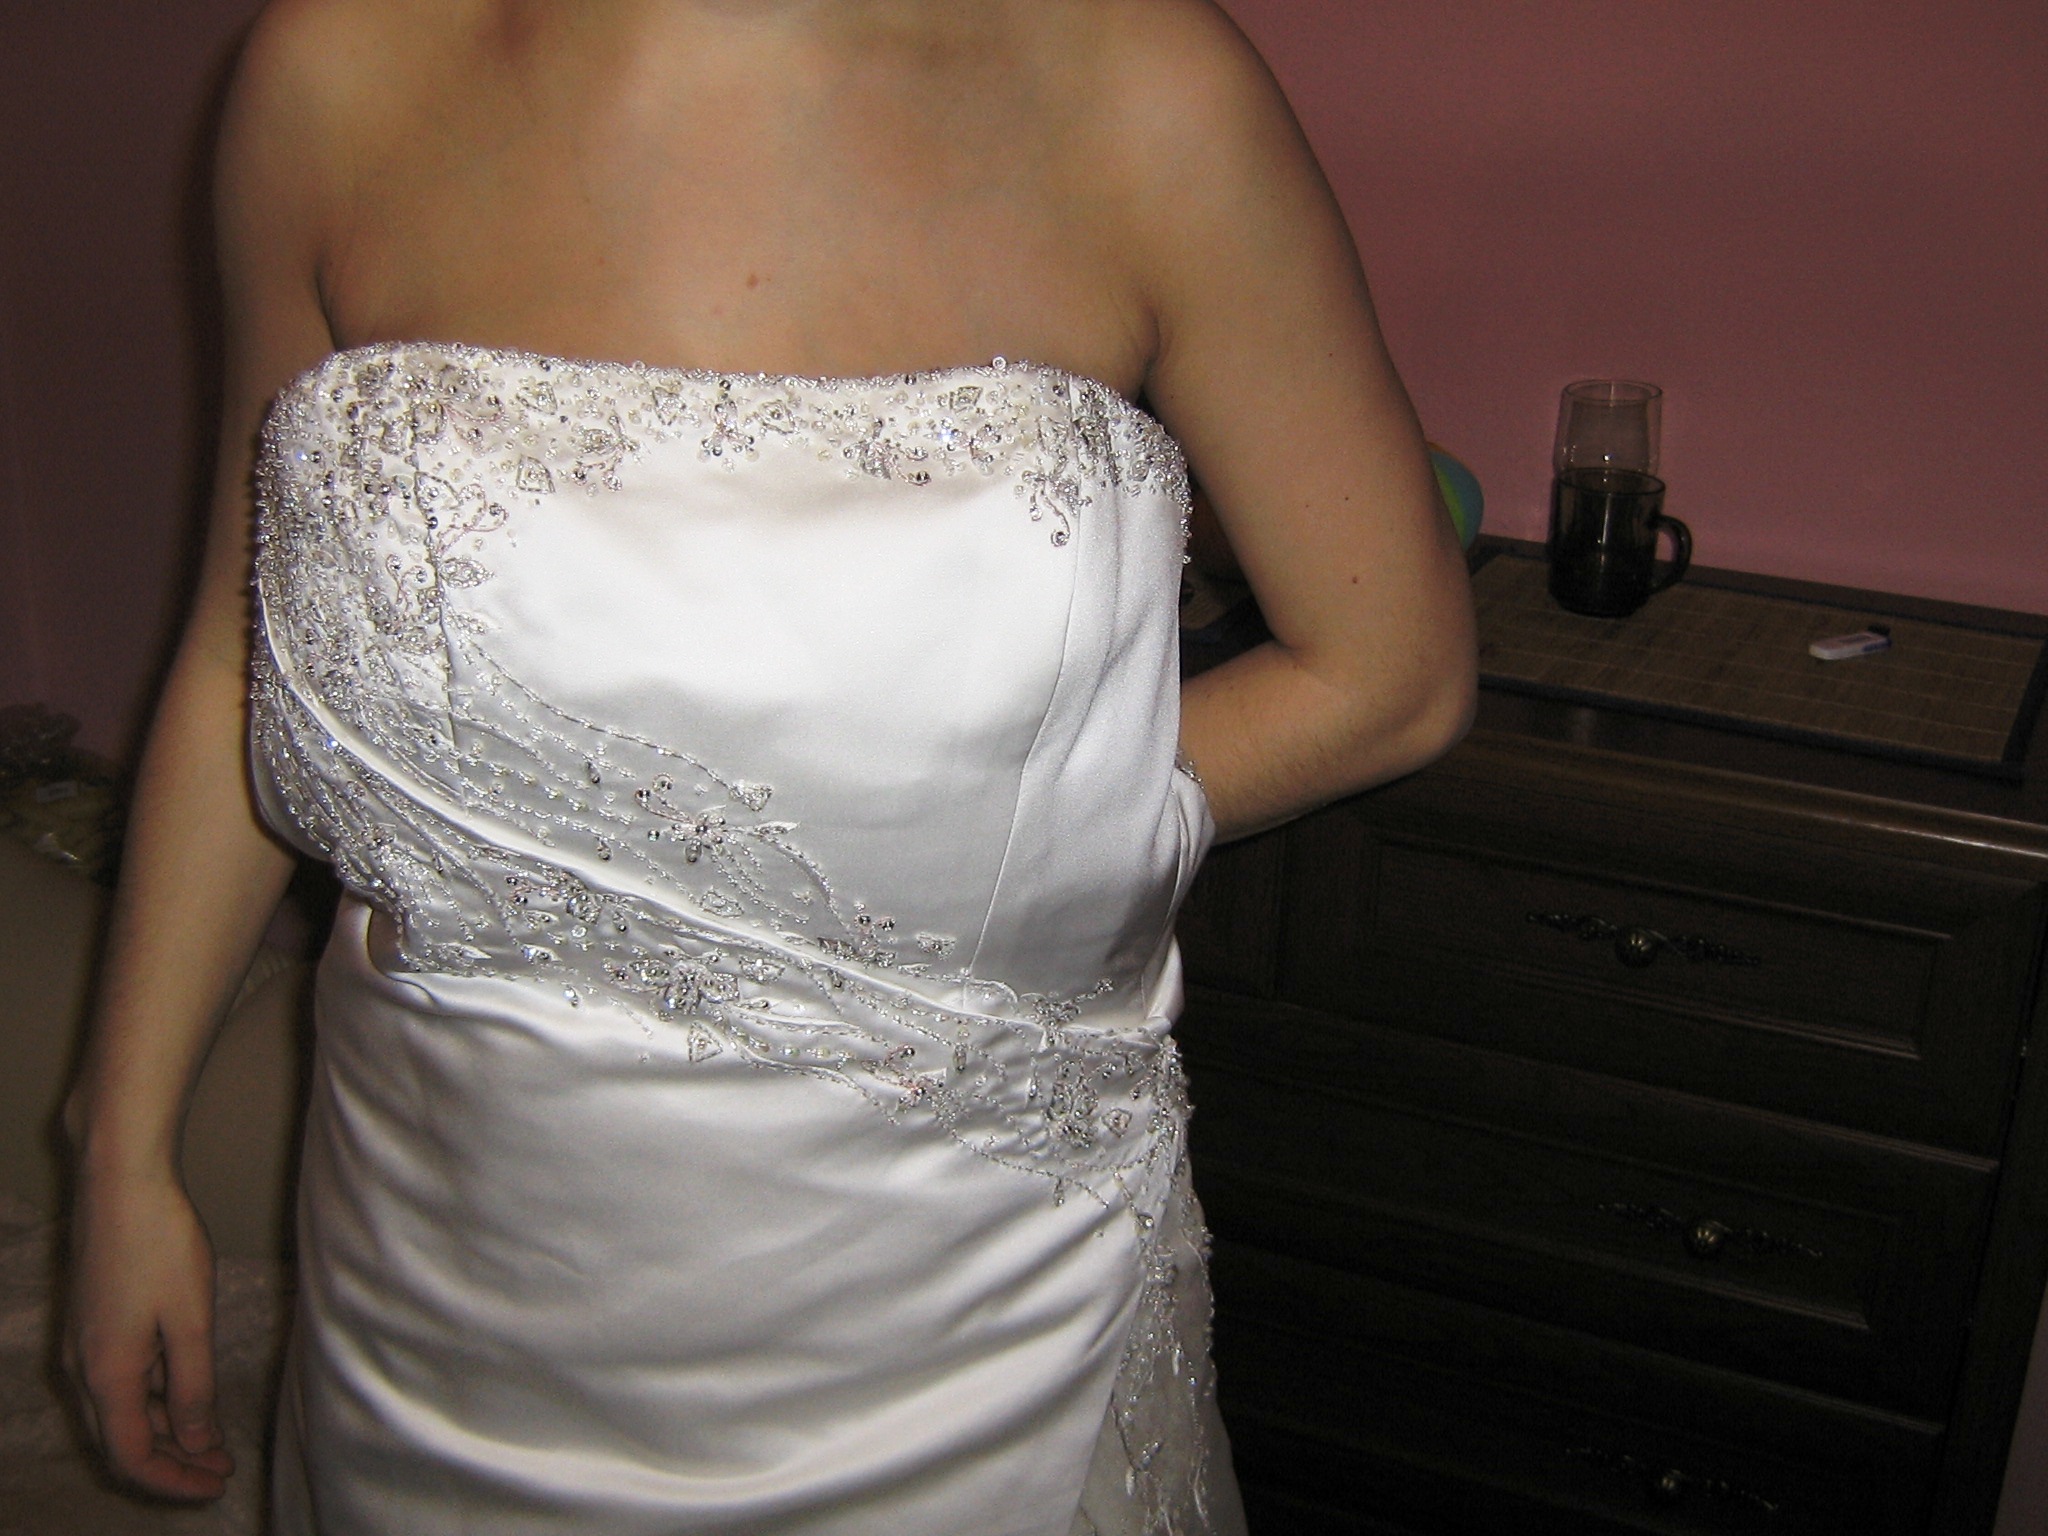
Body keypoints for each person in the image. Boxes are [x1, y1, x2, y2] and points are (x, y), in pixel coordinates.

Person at [61, 1, 1477, 1531]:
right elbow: (244, 655)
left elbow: (1387, 676)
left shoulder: (1140, 87)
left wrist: (981, 846)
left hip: (966, 1330)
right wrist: (119, 1147)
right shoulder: (339, 69)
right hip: (442, 1318)